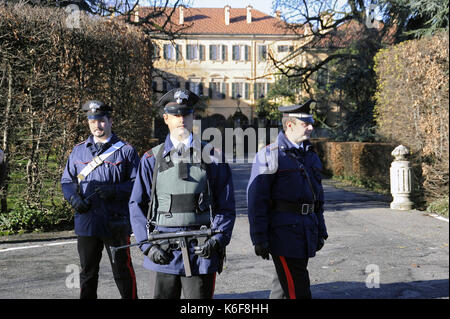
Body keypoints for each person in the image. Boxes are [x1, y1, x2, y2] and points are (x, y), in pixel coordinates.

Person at [129, 88, 236, 299]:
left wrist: (217, 239)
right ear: (165, 118)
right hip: (163, 250)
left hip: (201, 250)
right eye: (175, 115)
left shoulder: (213, 157)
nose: (181, 120)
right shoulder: (151, 159)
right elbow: (136, 204)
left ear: (193, 116)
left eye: (186, 114)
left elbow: (226, 205)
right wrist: (147, 246)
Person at [247, 99, 328, 299]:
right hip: (283, 235)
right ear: (289, 125)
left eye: (311, 122)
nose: (311, 127)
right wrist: (259, 237)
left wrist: (320, 230)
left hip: (305, 230)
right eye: (305, 123)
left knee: (283, 289)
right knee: (298, 290)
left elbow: (318, 200)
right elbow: (257, 201)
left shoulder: (310, 155)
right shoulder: (269, 155)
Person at [61, 100, 139, 299]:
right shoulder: (79, 151)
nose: (97, 125)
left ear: (110, 121)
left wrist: (115, 190)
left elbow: (138, 185)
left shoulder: (126, 151)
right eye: (93, 121)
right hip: (87, 222)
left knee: (122, 272)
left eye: (102, 121)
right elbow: (67, 181)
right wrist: (74, 199)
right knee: (88, 273)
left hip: (116, 222)